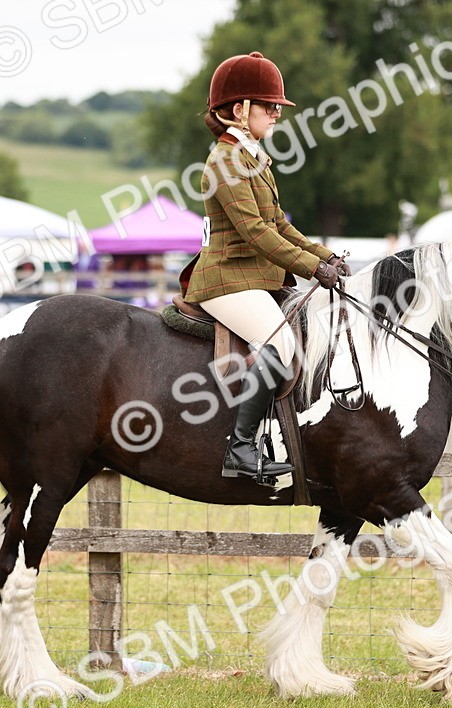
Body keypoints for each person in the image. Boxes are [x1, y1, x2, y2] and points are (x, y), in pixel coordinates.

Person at [183, 51, 349, 484]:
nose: (277, 113)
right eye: (268, 106)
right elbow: (257, 233)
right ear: (239, 110)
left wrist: (323, 255)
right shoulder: (224, 161)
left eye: (277, 107)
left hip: (252, 277)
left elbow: (278, 224)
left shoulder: (251, 157)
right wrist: (313, 270)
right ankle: (240, 447)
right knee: (278, 345)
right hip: (226, 279)